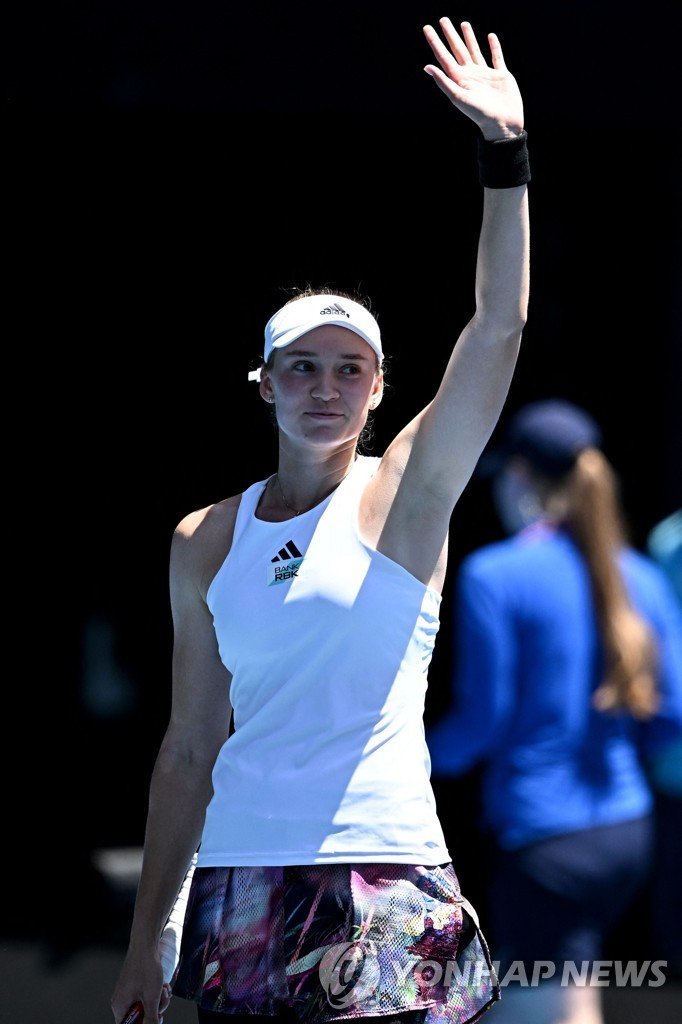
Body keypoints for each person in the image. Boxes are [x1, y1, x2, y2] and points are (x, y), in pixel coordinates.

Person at [111, 16, 531, 1024]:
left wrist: (505, 156)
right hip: (240, 883)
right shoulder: (202, 538)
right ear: (264, 385)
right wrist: (145, 937)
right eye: (303, 365)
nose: (326, 387)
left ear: (381, 388)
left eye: (351, 368)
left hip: (385, 880)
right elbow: (187, 747)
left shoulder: (406, 492)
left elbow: (500, 324)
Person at [426, 400, 682, 1024]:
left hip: (544, 840)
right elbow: (670, 712)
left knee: (538, 1007)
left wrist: (408, 762)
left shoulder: (495, 573)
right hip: (626, 832)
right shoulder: (640, 576)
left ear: (517, 478)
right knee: (566, 989)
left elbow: (485, 717)